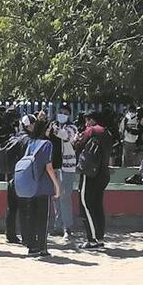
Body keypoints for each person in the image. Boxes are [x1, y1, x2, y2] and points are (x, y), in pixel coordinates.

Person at [15, 119, 62, 257]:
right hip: (44, 186)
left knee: (32, 216)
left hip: (31, 185)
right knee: (43, 218)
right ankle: (42, 247)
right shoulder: (47, 144)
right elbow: (49, 167)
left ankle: (32, 246)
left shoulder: (31, 142)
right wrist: (56, 185)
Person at [74, 112, 113, 249]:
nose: (85, 124)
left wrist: (76, 139)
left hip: (90, 174)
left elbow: (77, 145)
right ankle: (100, 238)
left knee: (85, 206)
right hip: (103, 174)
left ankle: (92, 239)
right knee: (97, 206)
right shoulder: (107, 133)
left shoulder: (91, 130)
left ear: (91, 120)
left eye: (87, 121)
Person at [0, 115, 34, 245]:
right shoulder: (28, 140)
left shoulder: (13, 138)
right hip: (24, 179)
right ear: (28, 125)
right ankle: (27, 237)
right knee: (25, 208)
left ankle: (10, 235)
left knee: (11, 208)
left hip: (12, 177)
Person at [50, 103, 79, 240]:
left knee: (65, 196)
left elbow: (65, 136)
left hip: (67, 167)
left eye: (65, 113)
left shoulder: (72, 128)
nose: (62, 114)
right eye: (60, 112)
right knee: (56, 196)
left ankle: (68, 228)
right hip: (55, 166)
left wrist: (52, 127)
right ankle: (57, 226)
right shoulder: (54, 126)